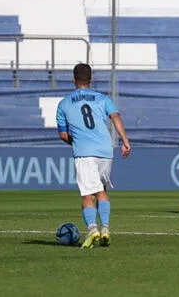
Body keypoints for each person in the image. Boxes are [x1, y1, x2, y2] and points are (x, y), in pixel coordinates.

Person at [56, 63, 131, 249]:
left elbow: (63, 135)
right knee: (101, 191)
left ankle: (92, 229)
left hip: (85, 152)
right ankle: (105, 228)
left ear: (74, 79)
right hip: (106, 151)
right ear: (91, 79)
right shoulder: (103, 98)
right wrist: (125, 141)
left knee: (89, 194)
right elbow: (115, 117)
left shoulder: (64, 103)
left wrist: (77, 141)